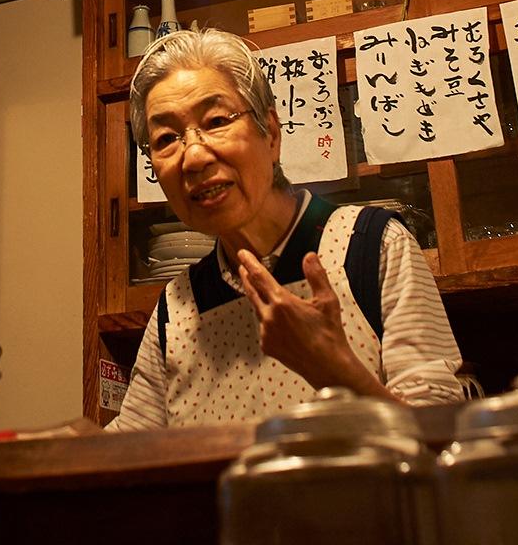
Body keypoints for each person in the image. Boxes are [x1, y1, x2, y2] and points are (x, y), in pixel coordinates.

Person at [108, 28, 464, 430]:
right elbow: (131, 448)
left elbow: (441, 435)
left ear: (271, 134)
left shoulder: (371, 246)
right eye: (167, 137)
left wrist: (337, 372)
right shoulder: (179, 303)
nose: (192, 156)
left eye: (217, 120)